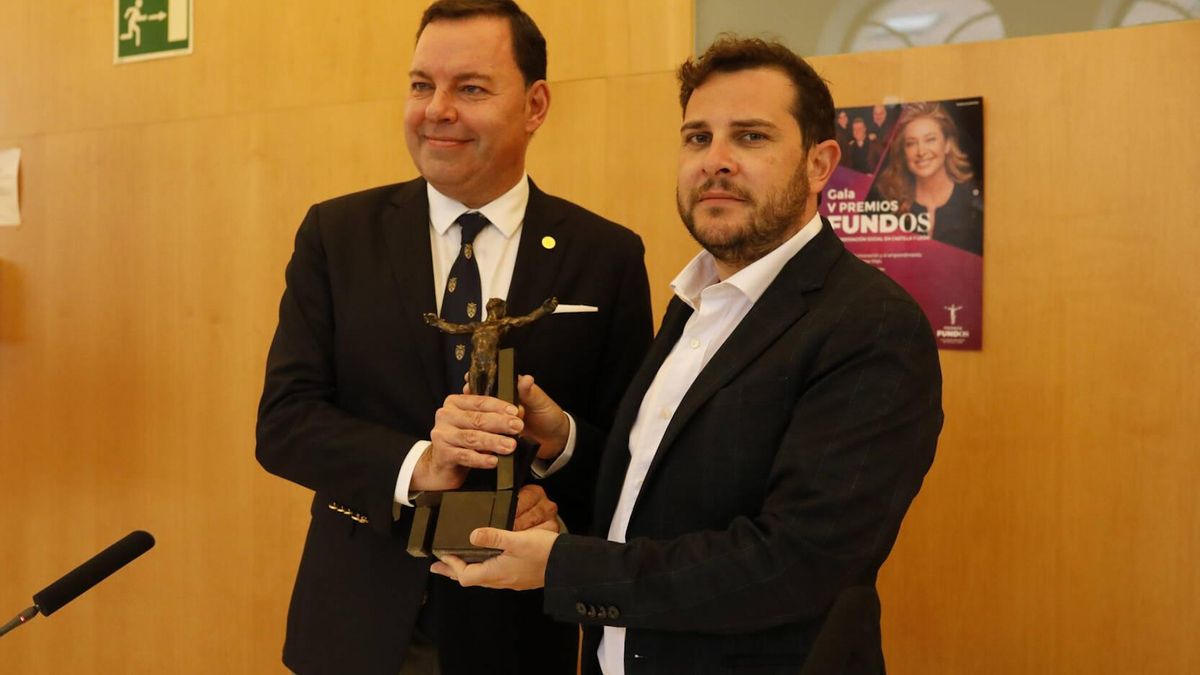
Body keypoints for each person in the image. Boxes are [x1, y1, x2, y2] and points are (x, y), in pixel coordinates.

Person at [426, 37, 944, 674]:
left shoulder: (872, 325)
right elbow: (657, 497)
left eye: (750, 137)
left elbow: (793, 563)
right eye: (697, 138)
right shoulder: (693, 303)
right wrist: (562, 441)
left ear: (819, 164)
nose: (715, 162)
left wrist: (563, 567)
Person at [255, 1, 653, 673]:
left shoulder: (605, 254)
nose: (436, 109)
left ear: (535, 104)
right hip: (356, 626)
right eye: (421, 85)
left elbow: (633, 456)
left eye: (469, 88)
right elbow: (285, 423)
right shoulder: (337, 234)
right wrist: (420, 466)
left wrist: (561, 449)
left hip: (519, 630)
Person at [875, 101, 983, 255]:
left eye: (930, 139)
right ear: (903, 152)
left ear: (947, 144)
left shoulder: (973, 204)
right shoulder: (889, 204)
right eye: (911, 143)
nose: (921, 151)